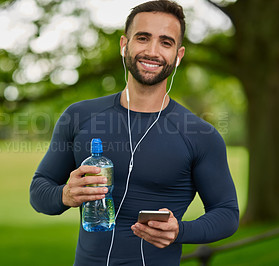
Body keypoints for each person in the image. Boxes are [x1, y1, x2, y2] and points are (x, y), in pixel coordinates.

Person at [30, 0, 239, 265]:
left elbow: (226, 213)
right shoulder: (79, 116)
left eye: (166, 42)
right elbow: (39, 189)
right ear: (123, 45)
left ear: (178, 55)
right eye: (143, 38)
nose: (152, 51)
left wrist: (180, 231)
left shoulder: (200, 135)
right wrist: (65, 195)